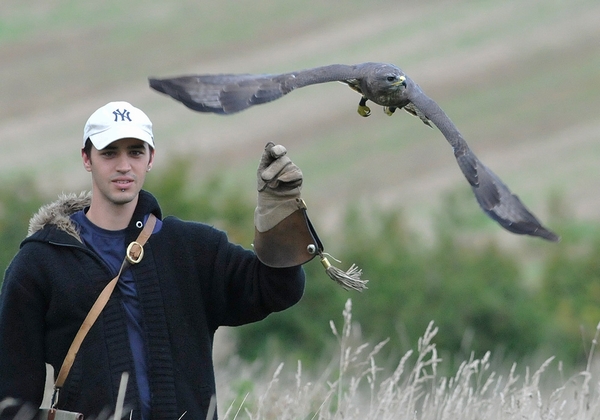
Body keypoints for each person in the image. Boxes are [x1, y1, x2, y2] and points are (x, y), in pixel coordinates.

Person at [0, 101, 316, 419]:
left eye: (135, 152)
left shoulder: (193, 249)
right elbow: (10, 397)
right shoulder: (40, 262)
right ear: (87, 158)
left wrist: (280, 215)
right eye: (109, 153)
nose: (124, 165)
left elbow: (278, 289)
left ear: (150, 158)